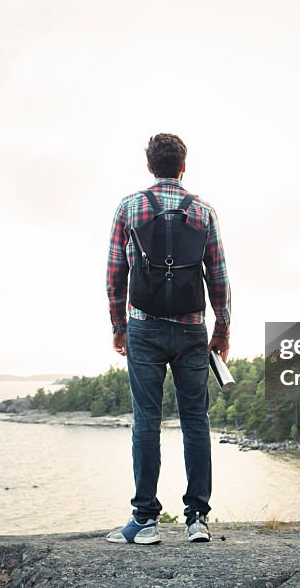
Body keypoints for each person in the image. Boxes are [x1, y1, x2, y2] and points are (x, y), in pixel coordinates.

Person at [104, 133, 231, 545]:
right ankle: (197, 520)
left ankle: (145, 521)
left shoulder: (129, 207)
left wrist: (118, 327)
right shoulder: (204, 211)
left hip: (144, 326)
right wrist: (222, 330)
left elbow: (113, 274)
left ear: (149, 167)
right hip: (193, 329)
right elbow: (219, 277)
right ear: (183, 166)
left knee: (147, 421)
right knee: (196, 421)